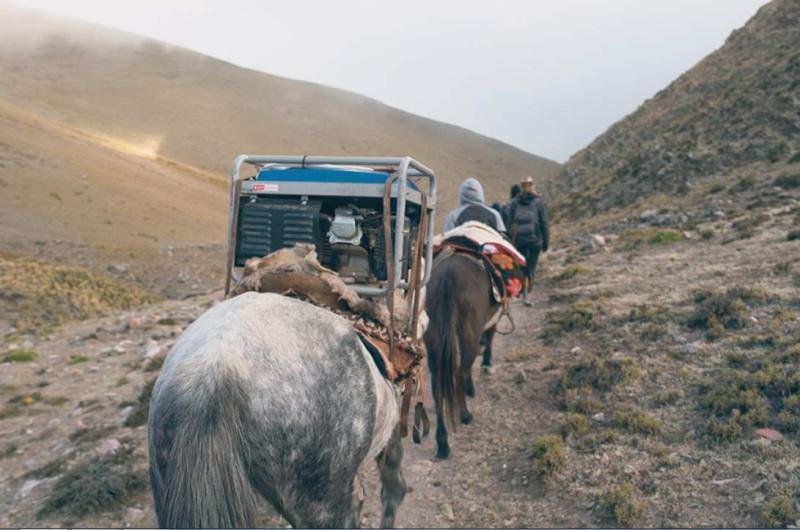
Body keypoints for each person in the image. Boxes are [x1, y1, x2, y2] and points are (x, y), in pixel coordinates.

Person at [509, 176, 549, 306]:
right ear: (533, 185)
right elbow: (544, 223)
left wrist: (510, 240)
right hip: (535, 241)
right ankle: (528, 294)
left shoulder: (515, 202)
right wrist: (546, 241)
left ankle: (522, 290)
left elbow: (510, 222)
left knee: (522, 266)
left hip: (519, 240)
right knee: (531, 268)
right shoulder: (538, 202)